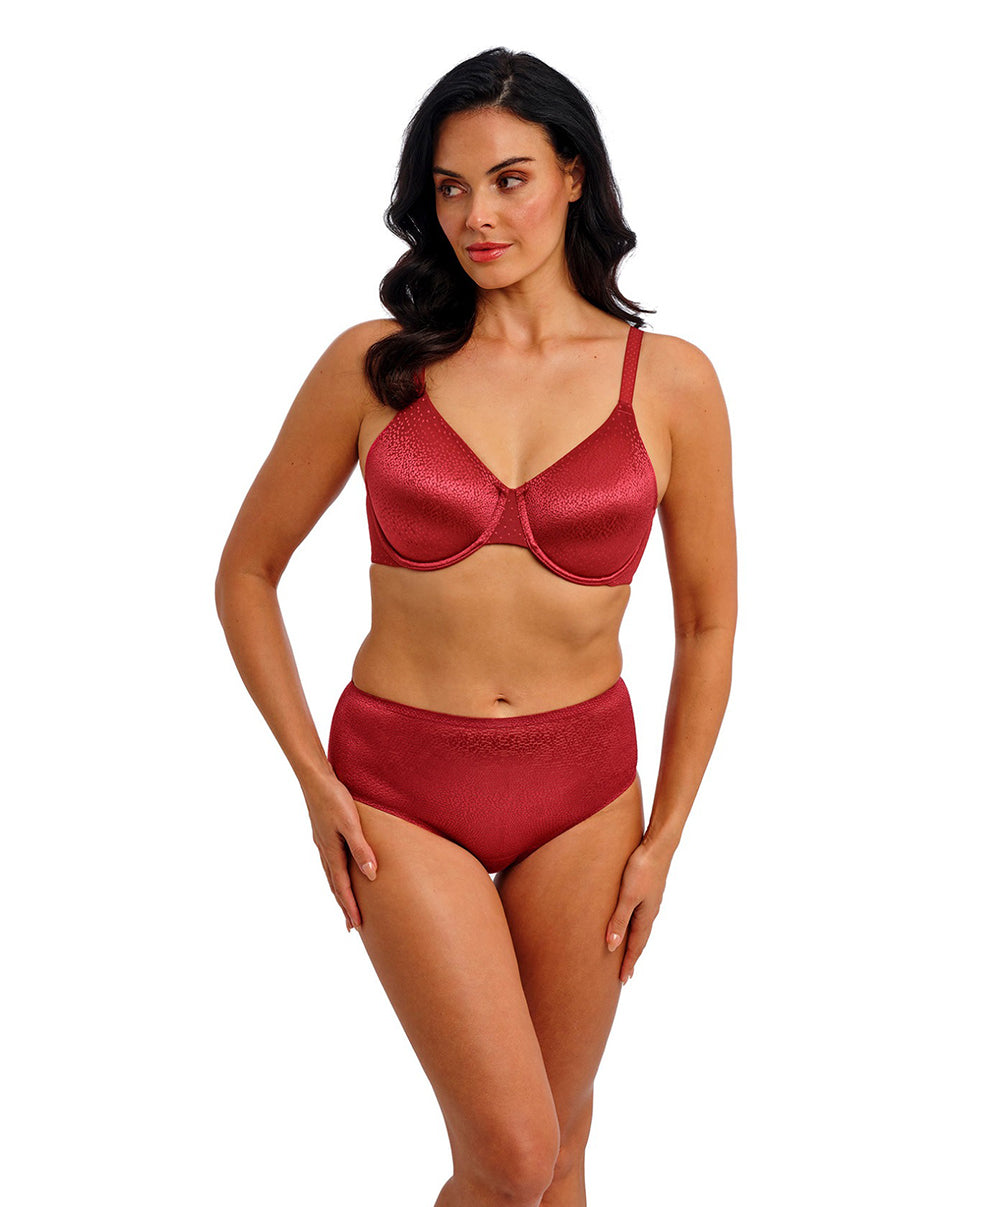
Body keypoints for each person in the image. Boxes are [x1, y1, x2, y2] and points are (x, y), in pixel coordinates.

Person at [215, 46, 737, 1207]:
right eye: (449, 188)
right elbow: (247, 572)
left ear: (572, 175)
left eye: (508, 180)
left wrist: (664, 836)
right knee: (508, 1154)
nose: (476, 216)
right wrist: (312, 778)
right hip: (400, 789)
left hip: (584, 796)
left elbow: (707, 622)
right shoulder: (374, 366)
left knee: (560, 1150)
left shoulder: (670, 382)